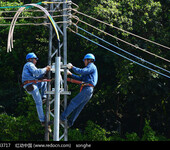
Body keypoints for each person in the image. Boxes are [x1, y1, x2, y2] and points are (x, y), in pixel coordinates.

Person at [60, 53, 98, 127]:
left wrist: (72, 67)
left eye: (85, 60)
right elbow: (80, 78)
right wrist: (71, 74)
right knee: (79, 107)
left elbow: (81, 71)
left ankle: (62, 118)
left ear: (89, 60)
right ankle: (69, 123)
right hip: (88, 90)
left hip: (87, 89)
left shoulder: (91, 66)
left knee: (73, 102)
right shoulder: (88, 70)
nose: (84, 62)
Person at [22, 52, 51, 126]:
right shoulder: (29, 64)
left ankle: (44, 97)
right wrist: (45, 69)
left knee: (44, 82)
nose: (36, 61)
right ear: (30, 59)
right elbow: (36, 72)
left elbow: (37, 75)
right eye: (35, 59)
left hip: (33, 84)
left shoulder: (30, 66)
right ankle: (42, 120)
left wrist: (44, 73)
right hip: (30, 85)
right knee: (38, 103)